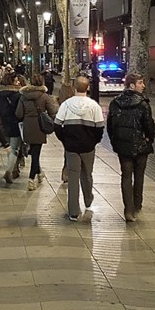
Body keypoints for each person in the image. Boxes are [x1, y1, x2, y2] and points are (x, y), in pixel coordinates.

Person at [54, 76, 104, 222]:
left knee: (73, 177)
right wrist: (94, 141)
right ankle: (88, 201)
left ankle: (73, 211)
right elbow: (100, 128)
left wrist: (65, 139)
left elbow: (57, 125)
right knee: (87, 174)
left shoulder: (66, 105)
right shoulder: (94, 106)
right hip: (88, 147)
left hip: (71, 147)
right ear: (87, 88)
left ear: (75, 88)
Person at [107, 72, 155, 223]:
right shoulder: (142, 104)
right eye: (141, 83)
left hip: (123, 146)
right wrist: (149, 139)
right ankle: (137, 203)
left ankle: (128, 209)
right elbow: (149, 125)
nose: (143, 86)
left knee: (126, 176)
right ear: (132, 85)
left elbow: (110, 126)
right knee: (139, 175)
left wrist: (115, 142)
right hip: (141, 145)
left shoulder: (115, 103)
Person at [15, 71, 58, 191]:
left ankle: (39, 173)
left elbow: (19, 114)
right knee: (36, 154)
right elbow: (52, 112)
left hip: (28, 126)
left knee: (33, 152)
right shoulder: (45, 96)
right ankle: (31, 179)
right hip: (40, 127)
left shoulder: (23, 96)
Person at [0, 73, 22, 185]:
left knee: (8, 147)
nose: (18, 83)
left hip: (2, 124)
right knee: (14, 149)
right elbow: (20, 111)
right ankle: (9, 170)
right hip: (15, 123)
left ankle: (11, 167)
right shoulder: (18, 95)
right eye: (16, 81)